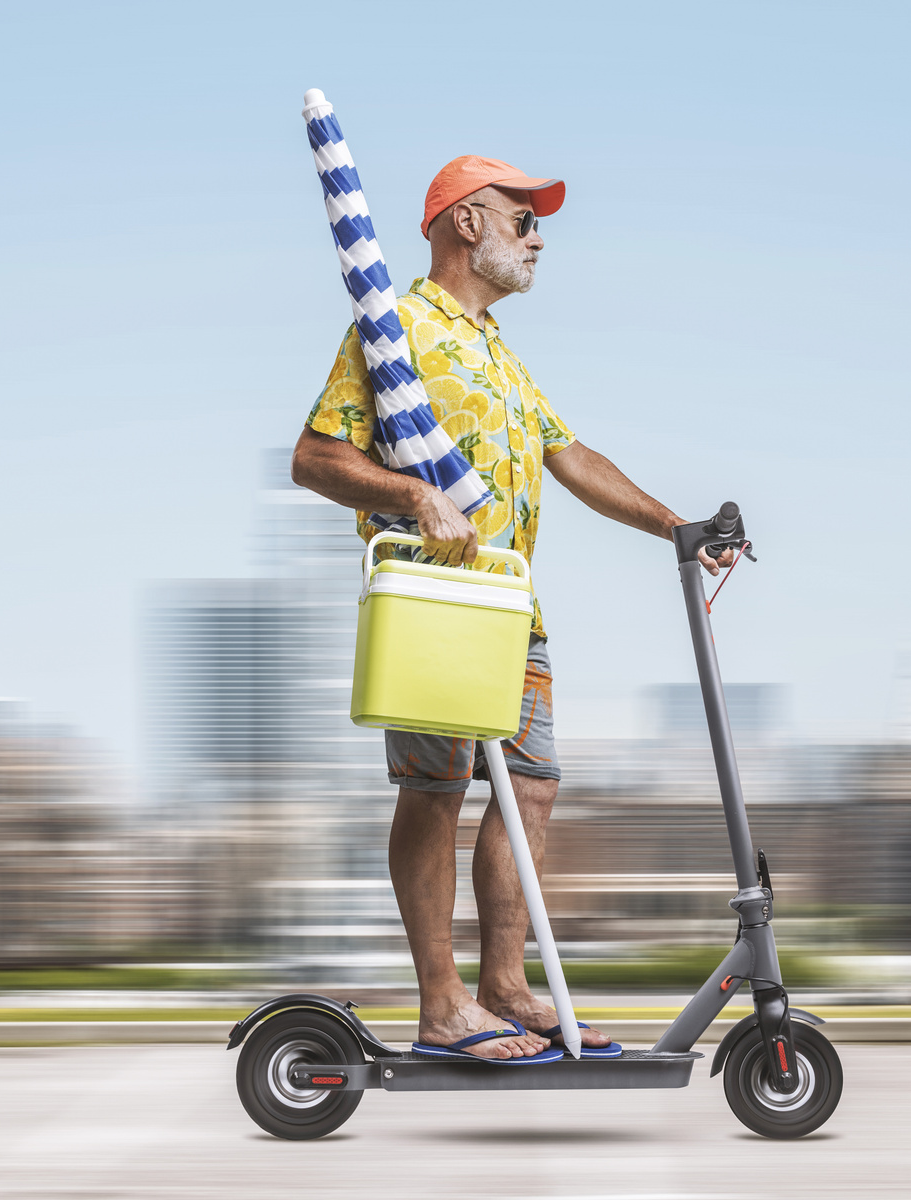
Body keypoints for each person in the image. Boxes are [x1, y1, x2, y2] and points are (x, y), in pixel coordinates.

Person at [293, 155, 733, 1060]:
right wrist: (415, 497)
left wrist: (674, 527)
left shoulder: (501, 354)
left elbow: (572, 459)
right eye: (520, 218)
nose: (536, 236)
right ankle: (442, 1004)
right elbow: (314, 458)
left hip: (511, 610)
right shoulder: (394, 329)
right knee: (437, 791)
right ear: (465, 223)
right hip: (435, 601)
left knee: (531, 789)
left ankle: (504, 985)